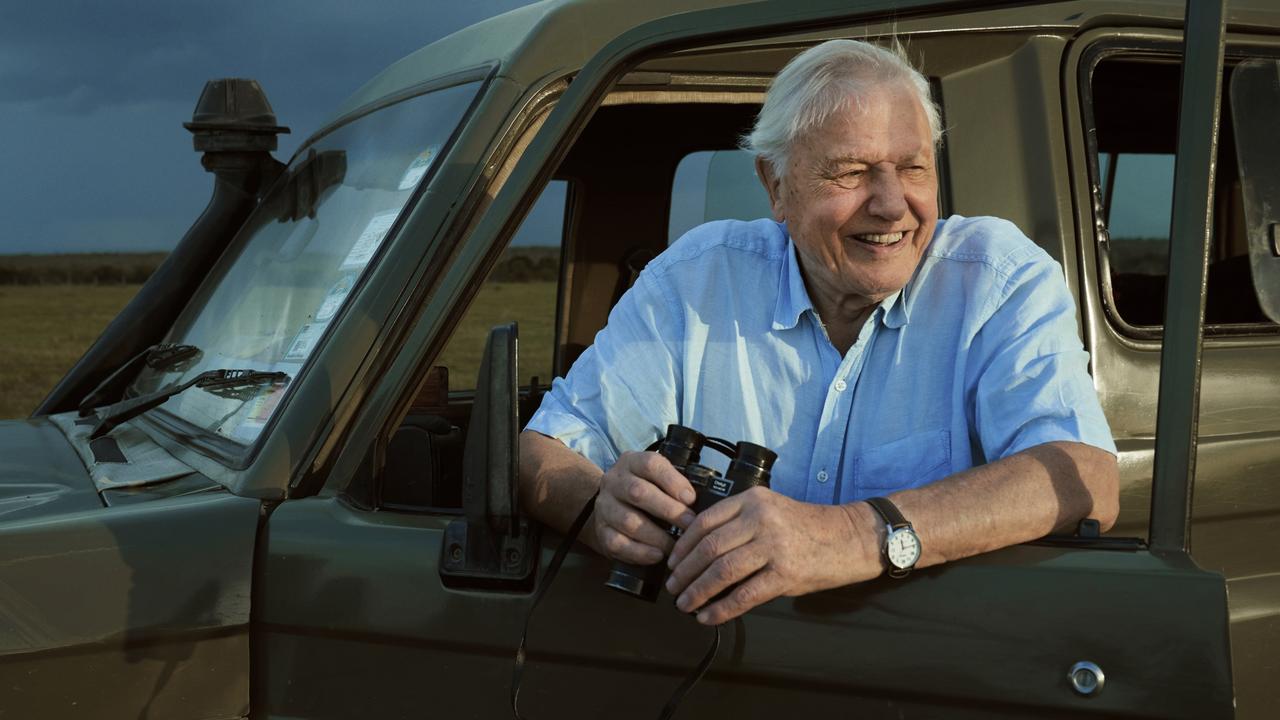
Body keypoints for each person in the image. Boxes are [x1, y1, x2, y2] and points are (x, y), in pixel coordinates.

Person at [518, 38, 1119, 626]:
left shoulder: (997, 280)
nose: (891, 204)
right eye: (851, 173)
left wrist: (852, 536)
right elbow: (543, 450)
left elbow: (1083, 476)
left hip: (929, 668)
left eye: (913, 168)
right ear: (776, 187)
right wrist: (602, 512)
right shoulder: (696, 279)